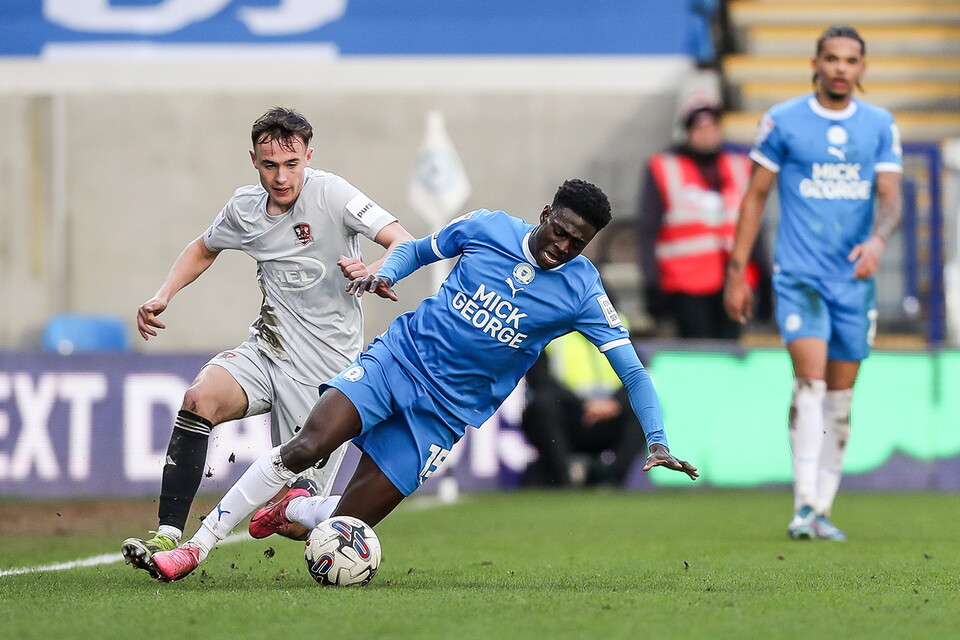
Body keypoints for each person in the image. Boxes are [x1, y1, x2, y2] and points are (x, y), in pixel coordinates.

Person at [146, 178, 699, 582]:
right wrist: (386, 272)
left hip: (443, 415)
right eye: (559, 231)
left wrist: (656, 438)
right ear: (546, 212)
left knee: (341, 527)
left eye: (577, 243)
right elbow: (417, 248)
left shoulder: (581, 290)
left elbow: (631, 369)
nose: (562, 247)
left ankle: (292, 509)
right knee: (308, 445)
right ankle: (196, 547)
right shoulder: (487, 228)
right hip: (397, 362)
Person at [121, 106, 413, 575]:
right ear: (254, 161)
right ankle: (168, 534)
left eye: (291, 164)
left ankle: (286, 508)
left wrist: (375, 271)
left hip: (326, 375)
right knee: (199, 399)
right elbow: (203, 247)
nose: (281, 177)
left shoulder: (334, 194)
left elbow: (401, 240)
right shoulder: (244, 208)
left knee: (296, 522)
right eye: (269, 165)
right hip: (268, 349)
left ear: (308, 157)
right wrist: (163, 295)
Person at [723, 25, 903, 541]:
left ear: (862, 69)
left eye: (851, 60)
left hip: (854, 281)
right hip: (799, 275)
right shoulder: (783, 121)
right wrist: (738, 272)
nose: (841, 68)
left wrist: (877, 241)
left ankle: (822, 509)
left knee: (840, 401)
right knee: (809, 384)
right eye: (832, 58)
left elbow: (890, 196)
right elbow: (755, 196)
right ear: (815, 63)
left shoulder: (879, 125)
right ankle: (802, 506)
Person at [637, 98, 771, 339]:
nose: (707, 134)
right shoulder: (664, 167)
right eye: (699, 128)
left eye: (712, 128)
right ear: (688, 133)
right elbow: (647, 230)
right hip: (685, 283)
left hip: (735, 280)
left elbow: (753, 225)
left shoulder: (739, 165)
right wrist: (651, 282)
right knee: (696, 351)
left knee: (731, 350)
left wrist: (765, 276)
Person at [519, 327, 646, 487]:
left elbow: (638, 374)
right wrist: (584, 405)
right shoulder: (547, 327)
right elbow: (540, 380)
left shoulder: (617, 323)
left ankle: (611, 482)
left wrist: (615, 403)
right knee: (543, 405)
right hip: (568, 416)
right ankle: (564, 480)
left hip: (607, 417)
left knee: (643, 407)